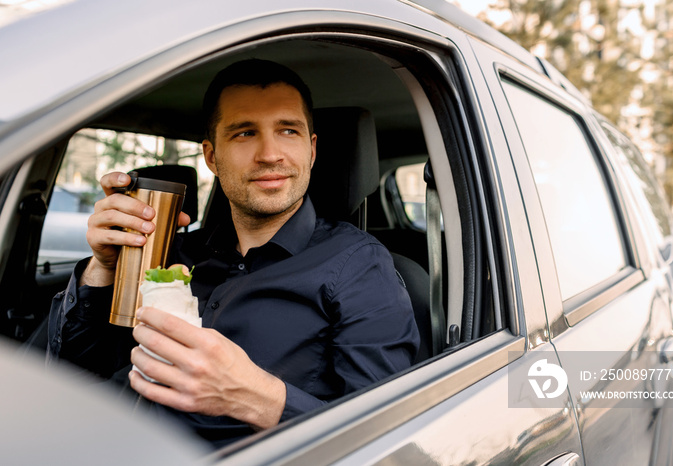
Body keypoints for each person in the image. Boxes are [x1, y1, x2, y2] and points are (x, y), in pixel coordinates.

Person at [47, 59, 419, 448]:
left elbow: (386, 438)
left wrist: (258, 399)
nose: (270, 154)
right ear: (211, 156)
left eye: (288, 130)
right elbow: (75, 376)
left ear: (311, 150)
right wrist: (103, 268)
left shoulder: (359, 265)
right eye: (244, 133)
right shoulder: (170, 253)